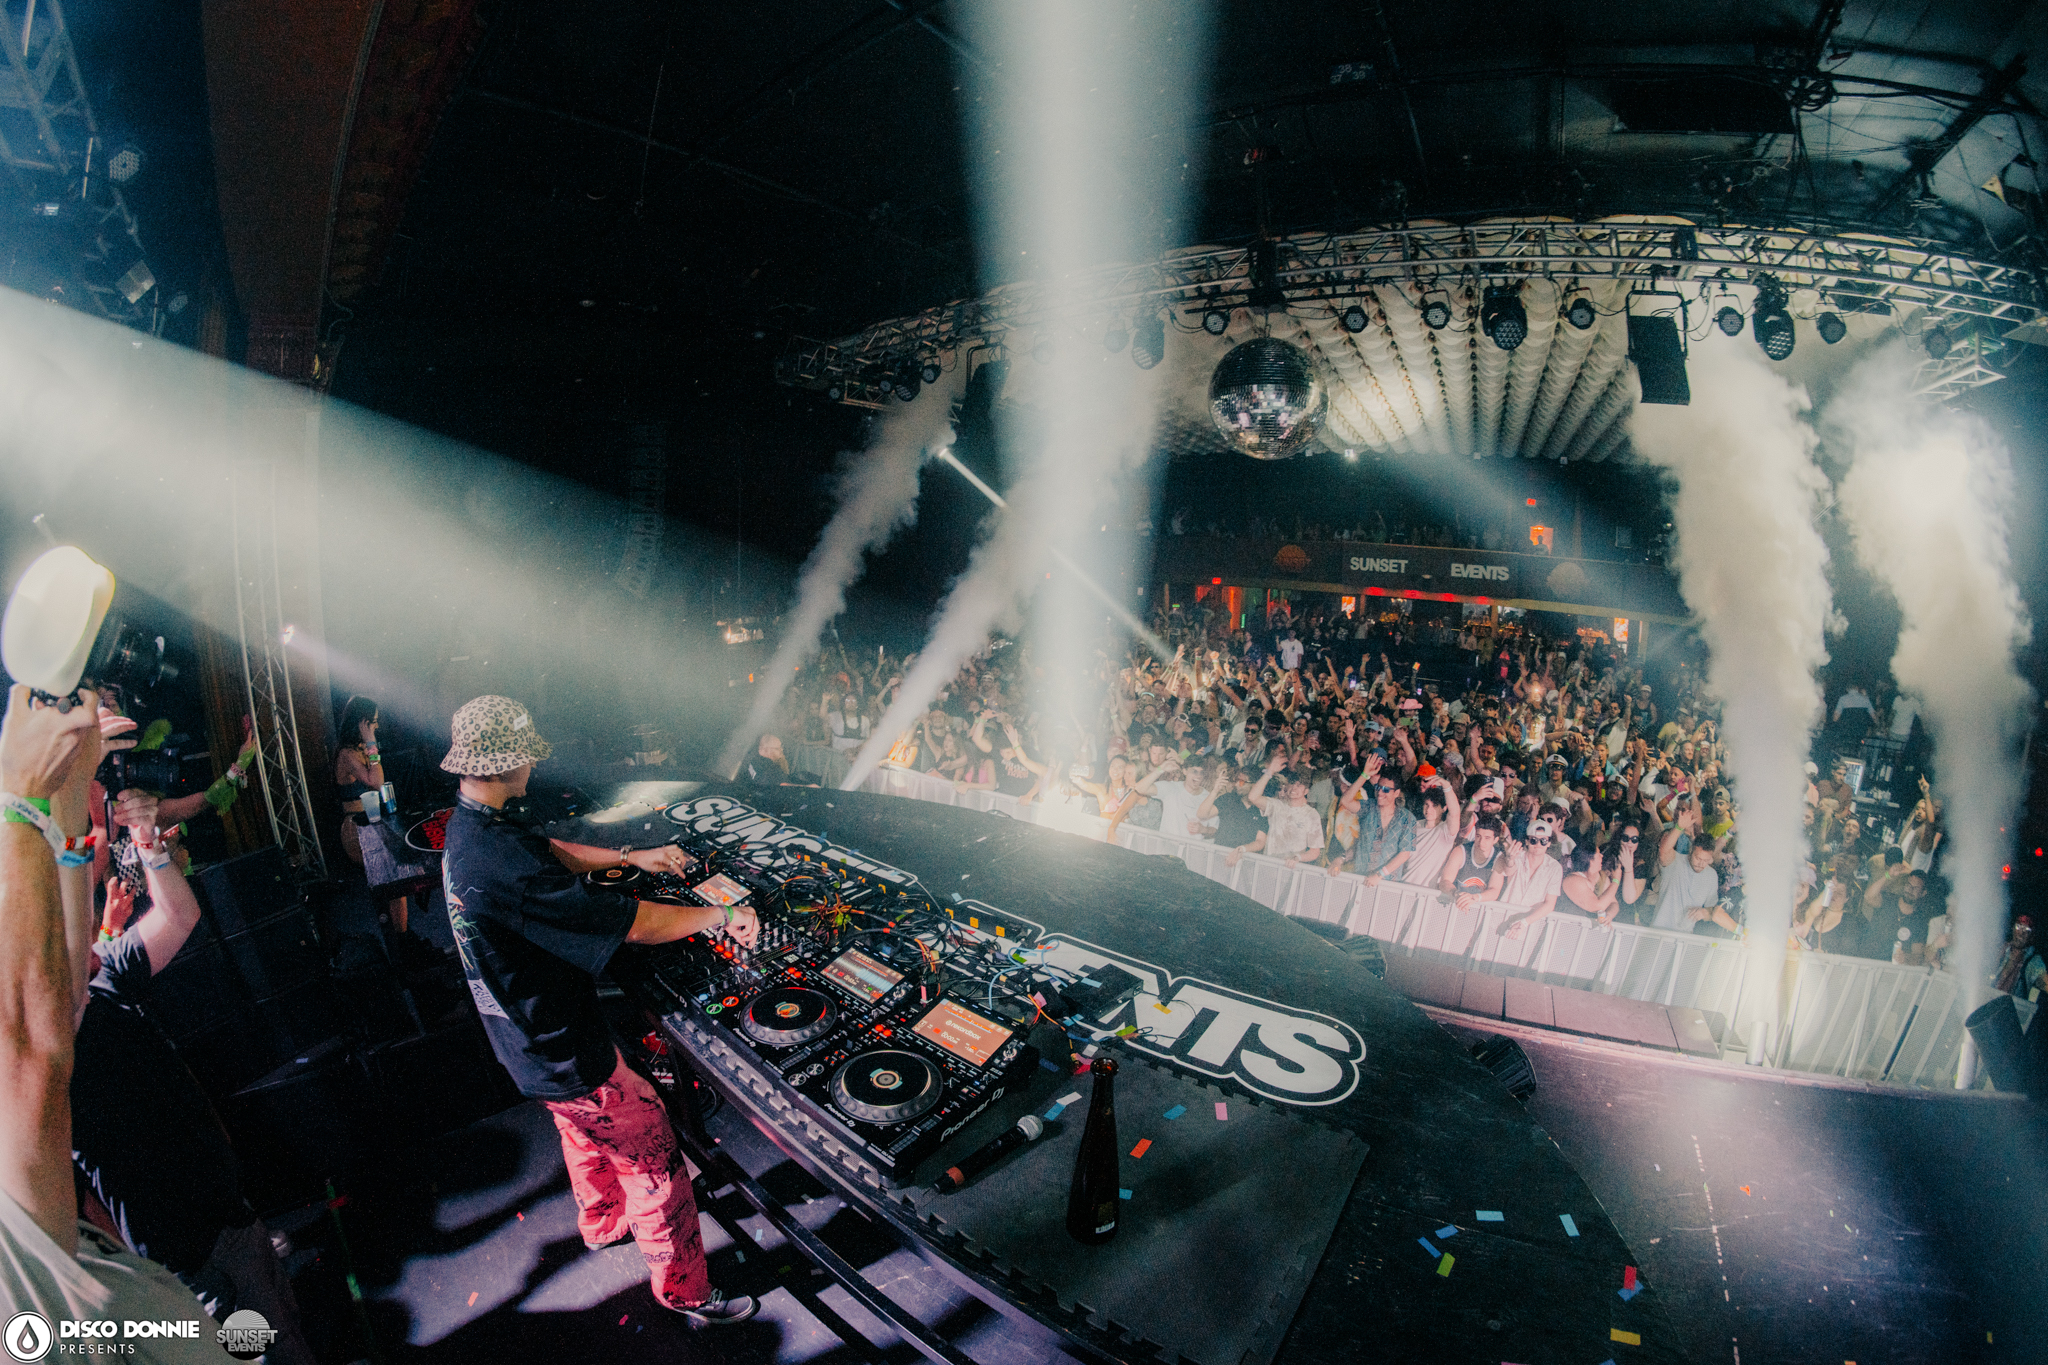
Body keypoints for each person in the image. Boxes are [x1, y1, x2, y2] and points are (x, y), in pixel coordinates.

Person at [439, 695, 757, 1325]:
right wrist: (721, 914)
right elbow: (635, 924)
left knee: (580, 1130)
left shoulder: (473, 825)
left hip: (525, 1042)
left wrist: (631, 856)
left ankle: (603, 1222)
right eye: (526, 757)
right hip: (560, 1045)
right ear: (505, 764)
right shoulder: (502, 864)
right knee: (652, 1152)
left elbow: (549, 850)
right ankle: (686, 1291)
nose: (533, 766)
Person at [0, 685, 240, 1360]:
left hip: (212, 1216)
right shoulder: (37, 1036)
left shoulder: (95, 976)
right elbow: (40, 1035)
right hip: (173, 1240)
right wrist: (23, 798)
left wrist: (81, 799)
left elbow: (80, 958)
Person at [71, 798, 317, 1361]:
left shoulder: (105, 978)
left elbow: (180, 917)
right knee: (256, 1348)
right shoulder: (46, 1050)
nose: (91, 923)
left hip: (225, 1206)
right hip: (180, 1245)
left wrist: (148, 842)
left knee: (283, 1327)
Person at [335, 695, 424, 958]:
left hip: (370, 824)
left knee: (395, 882)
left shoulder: (360, 750)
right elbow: (375, 782)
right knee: (392, 881)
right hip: (356, 830)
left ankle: (403, 939)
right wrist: (371, 743)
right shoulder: (346, 754)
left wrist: (370, 745)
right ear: (361, 722)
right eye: (372, 722)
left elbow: (380, 780)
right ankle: (401, 942)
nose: (377, 726)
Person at [1336, 756, 1414, 885]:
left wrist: (1379, 875)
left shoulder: (1407, 818)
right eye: (1378, 787)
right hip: (1361, 878)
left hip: (1387, 884)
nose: (1380, 792)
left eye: (1386, 789)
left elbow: (1405, 853)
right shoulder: (1369, 807)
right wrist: (1364, 775)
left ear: (1396, 793)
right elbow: (1345, 801)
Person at [1651, 804, 1721, 932]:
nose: (1701, 863)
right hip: (1658, 930)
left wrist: (1704, 913)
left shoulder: (1712, 875)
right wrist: (1679, 827)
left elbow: (1712, 910)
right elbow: (1664, 850)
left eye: (1706, 860)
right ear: (1690, 851)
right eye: (1698, 858)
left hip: (1685, 936)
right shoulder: (1675, 861)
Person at [1246, 755, 1325, 867]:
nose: (1294, 788)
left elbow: (1314, 852)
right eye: (1292, 783)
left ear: (1306, 791)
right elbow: (1253, 797)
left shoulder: (1312, 815)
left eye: (1299, 785)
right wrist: (1270, 771)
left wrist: (1298, 858)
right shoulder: (1276, 805)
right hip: (1267, 865)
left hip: (1290, 869)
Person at [1499, 818, 1564, 938]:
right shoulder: (1516, 856)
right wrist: (1510, 859)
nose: (1538, 845)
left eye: (1543, 841)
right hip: (1502, 920)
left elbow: (1550, 904)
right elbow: (1509, 871)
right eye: (1534, 840)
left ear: (1549, 843)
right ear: (1527, 841)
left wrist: (1524, 922)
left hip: (1529, 928)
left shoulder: (1555, 868)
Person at [1197, 764, 1268, 866]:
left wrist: (1242, 849)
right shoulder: (1228, 799)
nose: (1237, 784)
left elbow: (1260, 841)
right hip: (1219, 859)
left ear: (1255, 785)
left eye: (1242, 782)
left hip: (1245, 863)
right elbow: (1202, 815)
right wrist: (1215, 790)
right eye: (1236, 780)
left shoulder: (1262, 808)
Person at [1399, 773, 1462, 889]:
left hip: (1427, 892)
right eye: (1427, 804)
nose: (1429, 809)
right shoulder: (1414, 825)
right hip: (1403, 885)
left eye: (1435, 806)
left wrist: (1446, 785)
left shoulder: (1446, 831)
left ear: (1444, 808)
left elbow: (1455, 813)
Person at [1440, 814, 1507, 909]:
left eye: (1487, 838)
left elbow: (1494, 890)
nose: (1481, 841)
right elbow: (1444, 881)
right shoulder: (1460, 851)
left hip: (1478, 908)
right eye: (1478, 836)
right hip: (1454, 904)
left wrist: (1474, 898)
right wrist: (1457, 894)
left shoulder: (1499, 857)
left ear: (1495, 840)